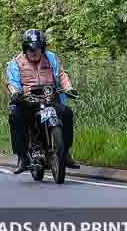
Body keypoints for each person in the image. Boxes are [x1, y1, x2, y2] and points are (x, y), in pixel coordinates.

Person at [6, 29, 80, 174]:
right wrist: (15, 93)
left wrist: (69, 88)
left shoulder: (51, 58)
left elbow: (61, 75)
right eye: (30, 48)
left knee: (67, 113)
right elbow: (12, 81)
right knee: (15, 116)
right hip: (27, 101)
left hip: (50, 99)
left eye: (37, 48)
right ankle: (22, 157)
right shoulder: (16, 62)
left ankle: (64, 154)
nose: (34, 52)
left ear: (42, 47)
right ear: (25, 48)